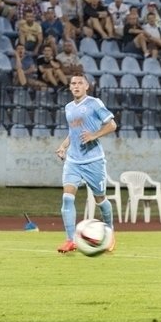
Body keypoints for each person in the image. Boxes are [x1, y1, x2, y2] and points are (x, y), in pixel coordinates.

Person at [55, 74, 118, 254]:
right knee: (67, 198)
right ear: (69, 87)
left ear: (86, 86)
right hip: (73, 160)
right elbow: (73, 132)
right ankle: (70, 240)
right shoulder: (68, 107)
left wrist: (94, 135)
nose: (76, 86)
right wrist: (63, 146)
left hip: (93, 160)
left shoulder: (94, 103)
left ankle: (110, 234)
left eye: (79, 83)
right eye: (73, 83)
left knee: (100, 199)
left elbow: (112, 125)